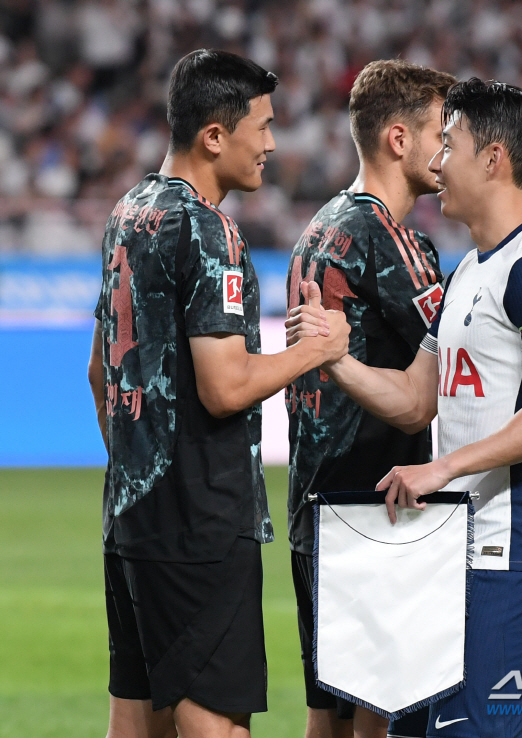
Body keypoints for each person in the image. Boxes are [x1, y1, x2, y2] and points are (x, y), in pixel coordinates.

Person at [288, 77, 522, 738]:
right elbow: (413, 400)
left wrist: (441, 468)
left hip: (513, 553)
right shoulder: (468, 272)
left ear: (493, 159)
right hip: (451, 551)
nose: (439, 162)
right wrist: (333, 358)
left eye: (450, 144)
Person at [87, 49, 349, 738]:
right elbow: (227, 387)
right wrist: (314, 351)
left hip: (131, 515)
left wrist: (143, 470)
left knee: (137, 722)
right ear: (214, 135)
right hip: (201, 523)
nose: (270, 143)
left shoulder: (129, 211)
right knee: (217, 726)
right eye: (260, 126)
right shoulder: (208, 230)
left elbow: (99, 374)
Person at [285, 58, 456, 738]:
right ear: (398, 139)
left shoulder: (319, 226)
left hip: (312, 504)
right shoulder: (392, 239)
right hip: (373, 505)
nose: (450, 150)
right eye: (442, 131)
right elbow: (433, 388)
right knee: (378, 717)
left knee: (326, 714)